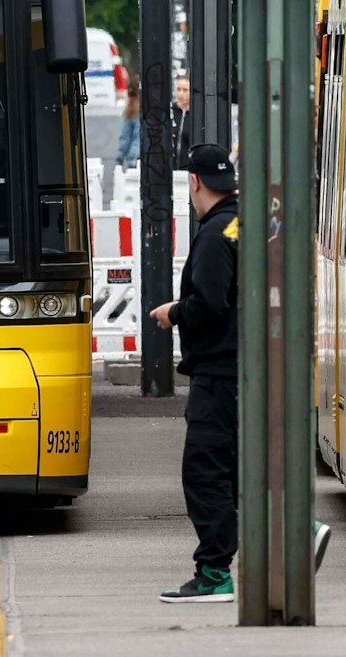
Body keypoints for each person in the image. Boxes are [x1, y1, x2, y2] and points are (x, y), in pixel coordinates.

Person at [148, 144, 240, 603]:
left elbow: (209, 303)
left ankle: (214, 573)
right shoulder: (246, 224)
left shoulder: (214, 234)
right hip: (246, 368)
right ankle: (297, 532)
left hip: (218, 372)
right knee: (235, 468)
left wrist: (174, 312)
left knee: (204, 471)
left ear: (194, 181)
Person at [169, 76, 194, 168]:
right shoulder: (170, 111)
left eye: (185, 90)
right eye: (178, 89)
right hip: (170, 166)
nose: (181, 94)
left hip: (189, 166)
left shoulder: (196, 114)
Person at [116, 87, 142, 169]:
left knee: (125, 137)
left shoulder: (129, 110)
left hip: (129, 109)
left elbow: (124, 138)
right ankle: (131, 160)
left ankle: (121, 159)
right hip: (138, 109)